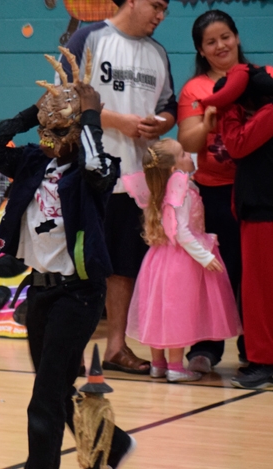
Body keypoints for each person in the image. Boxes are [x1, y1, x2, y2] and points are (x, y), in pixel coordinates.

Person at [0, 48, 134, 469]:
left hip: (78, 295)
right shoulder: (29, 162)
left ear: (77, 130)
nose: (48, 136)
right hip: (40, 292)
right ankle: (114, 446)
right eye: (45, 128)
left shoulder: (93, 171)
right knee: (57, 390)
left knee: (43, 398)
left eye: (59, 129)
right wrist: (35, 110)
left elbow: (97, 167)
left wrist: (90, 115)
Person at [61, 0, 177, 375]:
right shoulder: (88, 38)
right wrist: (114, 121)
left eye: (165, 10)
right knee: (81, 265)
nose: (160, 15)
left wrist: (160, 124)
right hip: (88, 171)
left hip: (136, 178)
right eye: (156, 6)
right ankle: (73, 348)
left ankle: (115, 347)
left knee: (122, 266)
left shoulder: (158, 53)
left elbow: (168, 105)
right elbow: (63, 99)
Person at [123, 139, 241, 383]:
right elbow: (181, 231)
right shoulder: (181, 189)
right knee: (177, 312)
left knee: (159, 312)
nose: (191, 156)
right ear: (173, 168)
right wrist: (205, 256)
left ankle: (158, 364)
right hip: (181, 260)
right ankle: (176, 366)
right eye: (185, 154)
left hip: (158, 259)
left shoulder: (158, 189)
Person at [177, 10, 250, 370]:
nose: (220, 45)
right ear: (201, 51)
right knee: (215, 270)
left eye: (225, 37)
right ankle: (206, 347)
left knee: (256, 273)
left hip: (255, 193)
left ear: (236, 38)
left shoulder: (262, 79)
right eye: (211, 42)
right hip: (213, 194)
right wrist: (208, 122)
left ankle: (257, 349)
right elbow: (186, 138)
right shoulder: (196, 89)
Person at [201, 63, 273, 389]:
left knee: (258, 292)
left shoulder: (270, 112)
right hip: (258, 212)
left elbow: (237, 145)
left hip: (265, 214)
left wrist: (228, 111)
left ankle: (262, 361)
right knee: (258, 291)